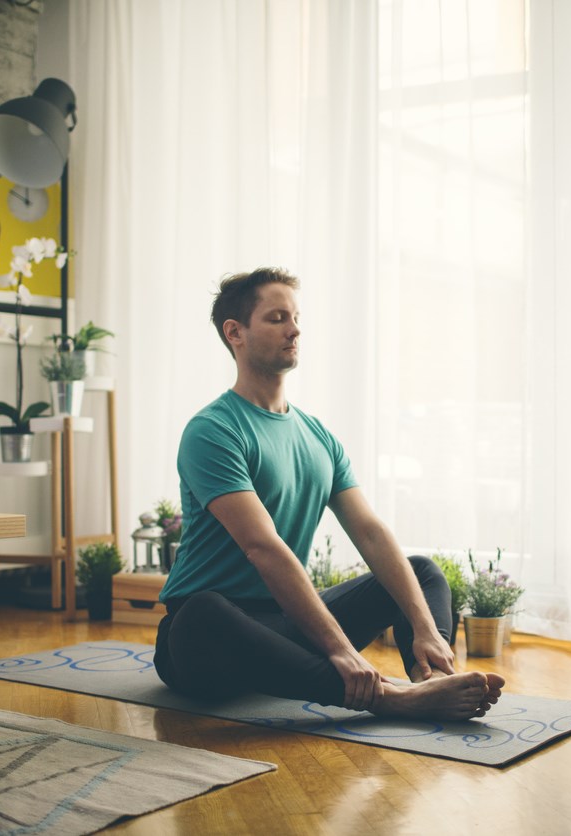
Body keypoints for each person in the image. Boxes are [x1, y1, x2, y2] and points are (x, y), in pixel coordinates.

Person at [154, 267, 504, 720]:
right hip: (210, 641)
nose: (295, 329)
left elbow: (371, 534)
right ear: (235, 332)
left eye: (296, 317)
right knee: (201, 614)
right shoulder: (213, 430)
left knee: (421, 572)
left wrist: (424, 629)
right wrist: (341, 650)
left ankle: (431, 676)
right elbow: (262, 548)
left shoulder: (316, 435)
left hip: (288, 624)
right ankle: (387, 698)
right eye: (278, 317)